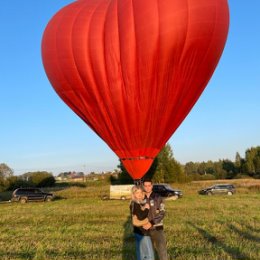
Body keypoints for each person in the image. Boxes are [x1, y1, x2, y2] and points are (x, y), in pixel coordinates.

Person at [143, 179, 168, 260]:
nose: (147, 187)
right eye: (145, 186)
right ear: (143, 186)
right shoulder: (140, 198)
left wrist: (151, 222)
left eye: (149, 185)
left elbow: (162, 213)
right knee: (147, 252)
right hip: (145, 229)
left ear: (152, 186)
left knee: (162, 250)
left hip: (158, 228)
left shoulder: (158, 197)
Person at [130, 185, 155, 260]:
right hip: (142, 232)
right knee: (149, 254)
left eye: (141, 192)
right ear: (133, 194)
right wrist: (147, 209)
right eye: (137, 193)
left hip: (138, 231)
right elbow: (140, 217)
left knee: (141, 253)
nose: (140, 194)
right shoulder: (135, 204)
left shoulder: (136, 203)